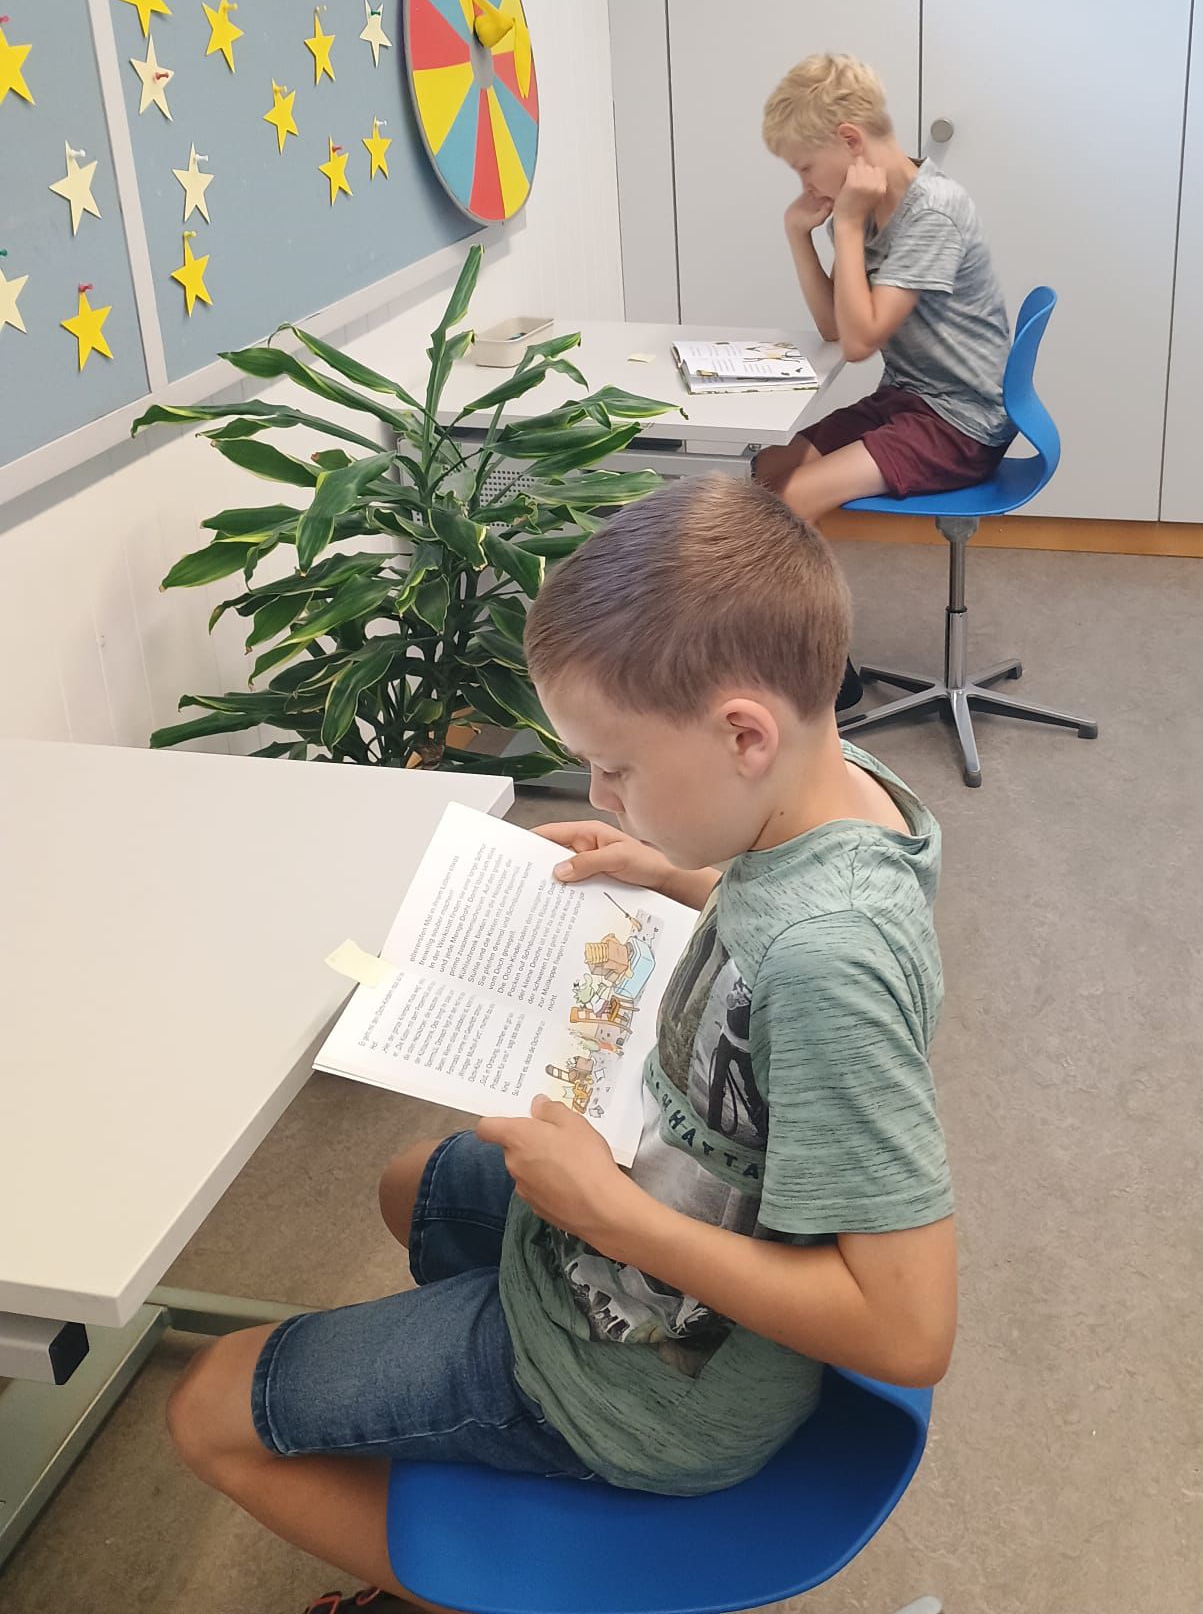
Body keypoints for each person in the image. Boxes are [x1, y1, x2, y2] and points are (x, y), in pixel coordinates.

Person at [164, 477, 956, 1614]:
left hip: (656, 1381)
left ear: (744, 734)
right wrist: (675, 873)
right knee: (411, 1186)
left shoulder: (829, 960)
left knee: (208, 1404)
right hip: (650, 1221)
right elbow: (778, 914)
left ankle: (464, 1578)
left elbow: (909, 1330)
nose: (600, 792)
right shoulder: (845, 795)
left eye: (619, 767)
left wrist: (610, 1216)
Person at [754, 51, 1016, 527]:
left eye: (806, 167)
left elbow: (859, 345)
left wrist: (847, 226)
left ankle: (792, 580)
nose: (805, 185)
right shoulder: (861, 211)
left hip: (961, 422)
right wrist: (798, 234)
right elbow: (834, 327)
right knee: (766, 473)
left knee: (792, 499)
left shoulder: (932, 212)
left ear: (850, 140)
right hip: (904, 400)